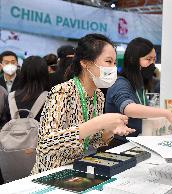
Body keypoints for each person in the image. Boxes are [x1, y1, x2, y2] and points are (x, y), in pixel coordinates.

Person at [31, 34, 134, 174]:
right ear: (85, 63)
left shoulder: (98, 95)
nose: (113, 68)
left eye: (115, 63)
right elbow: (45, 144)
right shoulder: (62, 92)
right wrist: (97, 123)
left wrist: (110, 129)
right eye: (108, 61)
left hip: (79, 169)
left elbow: (94, 141)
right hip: (51, 173)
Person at [105, 37, 172, 143]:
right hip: (117, 145)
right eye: (148, 59)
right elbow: (128, 108)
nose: (152, 64)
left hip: (134, 142)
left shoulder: (139, 85)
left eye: (154, 60)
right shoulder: (120, 83)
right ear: (133, 60)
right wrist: (166, 113)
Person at [3, 56, 50, 122]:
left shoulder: (11, 97)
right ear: (45, 74)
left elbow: (5, 121)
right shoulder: (51, 98)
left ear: (23, 73)